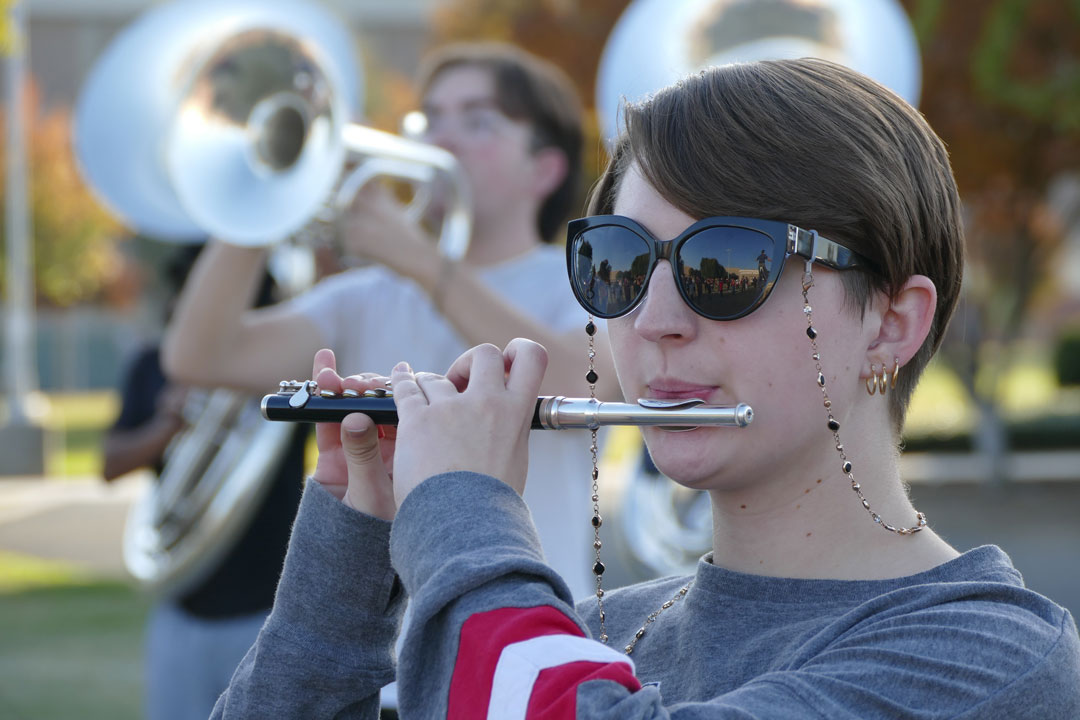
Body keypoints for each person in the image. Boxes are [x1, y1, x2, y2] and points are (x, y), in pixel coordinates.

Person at [211, 59, 1080, 718]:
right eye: (620, 263)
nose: (653, 319)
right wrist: (352, 549)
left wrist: (461, 507)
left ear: (891, 322)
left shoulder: (990, 655)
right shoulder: (595, 629)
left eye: (727, 264)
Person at [162, 42, 613, 602]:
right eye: (430, 118)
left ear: (544, 168)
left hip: (527, 626)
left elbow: (585, 381)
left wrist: (421, 261)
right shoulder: (365, 294)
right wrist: (267, 194)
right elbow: (200, 357)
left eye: (478, 120)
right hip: (380, 653)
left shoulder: (581, 279)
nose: (440, 138)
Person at [103, 247, 307, 720]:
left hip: (270, 608)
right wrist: (168, 427)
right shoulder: (154, 364)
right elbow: (109, 464)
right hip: (184, 601)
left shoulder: (286, 368)